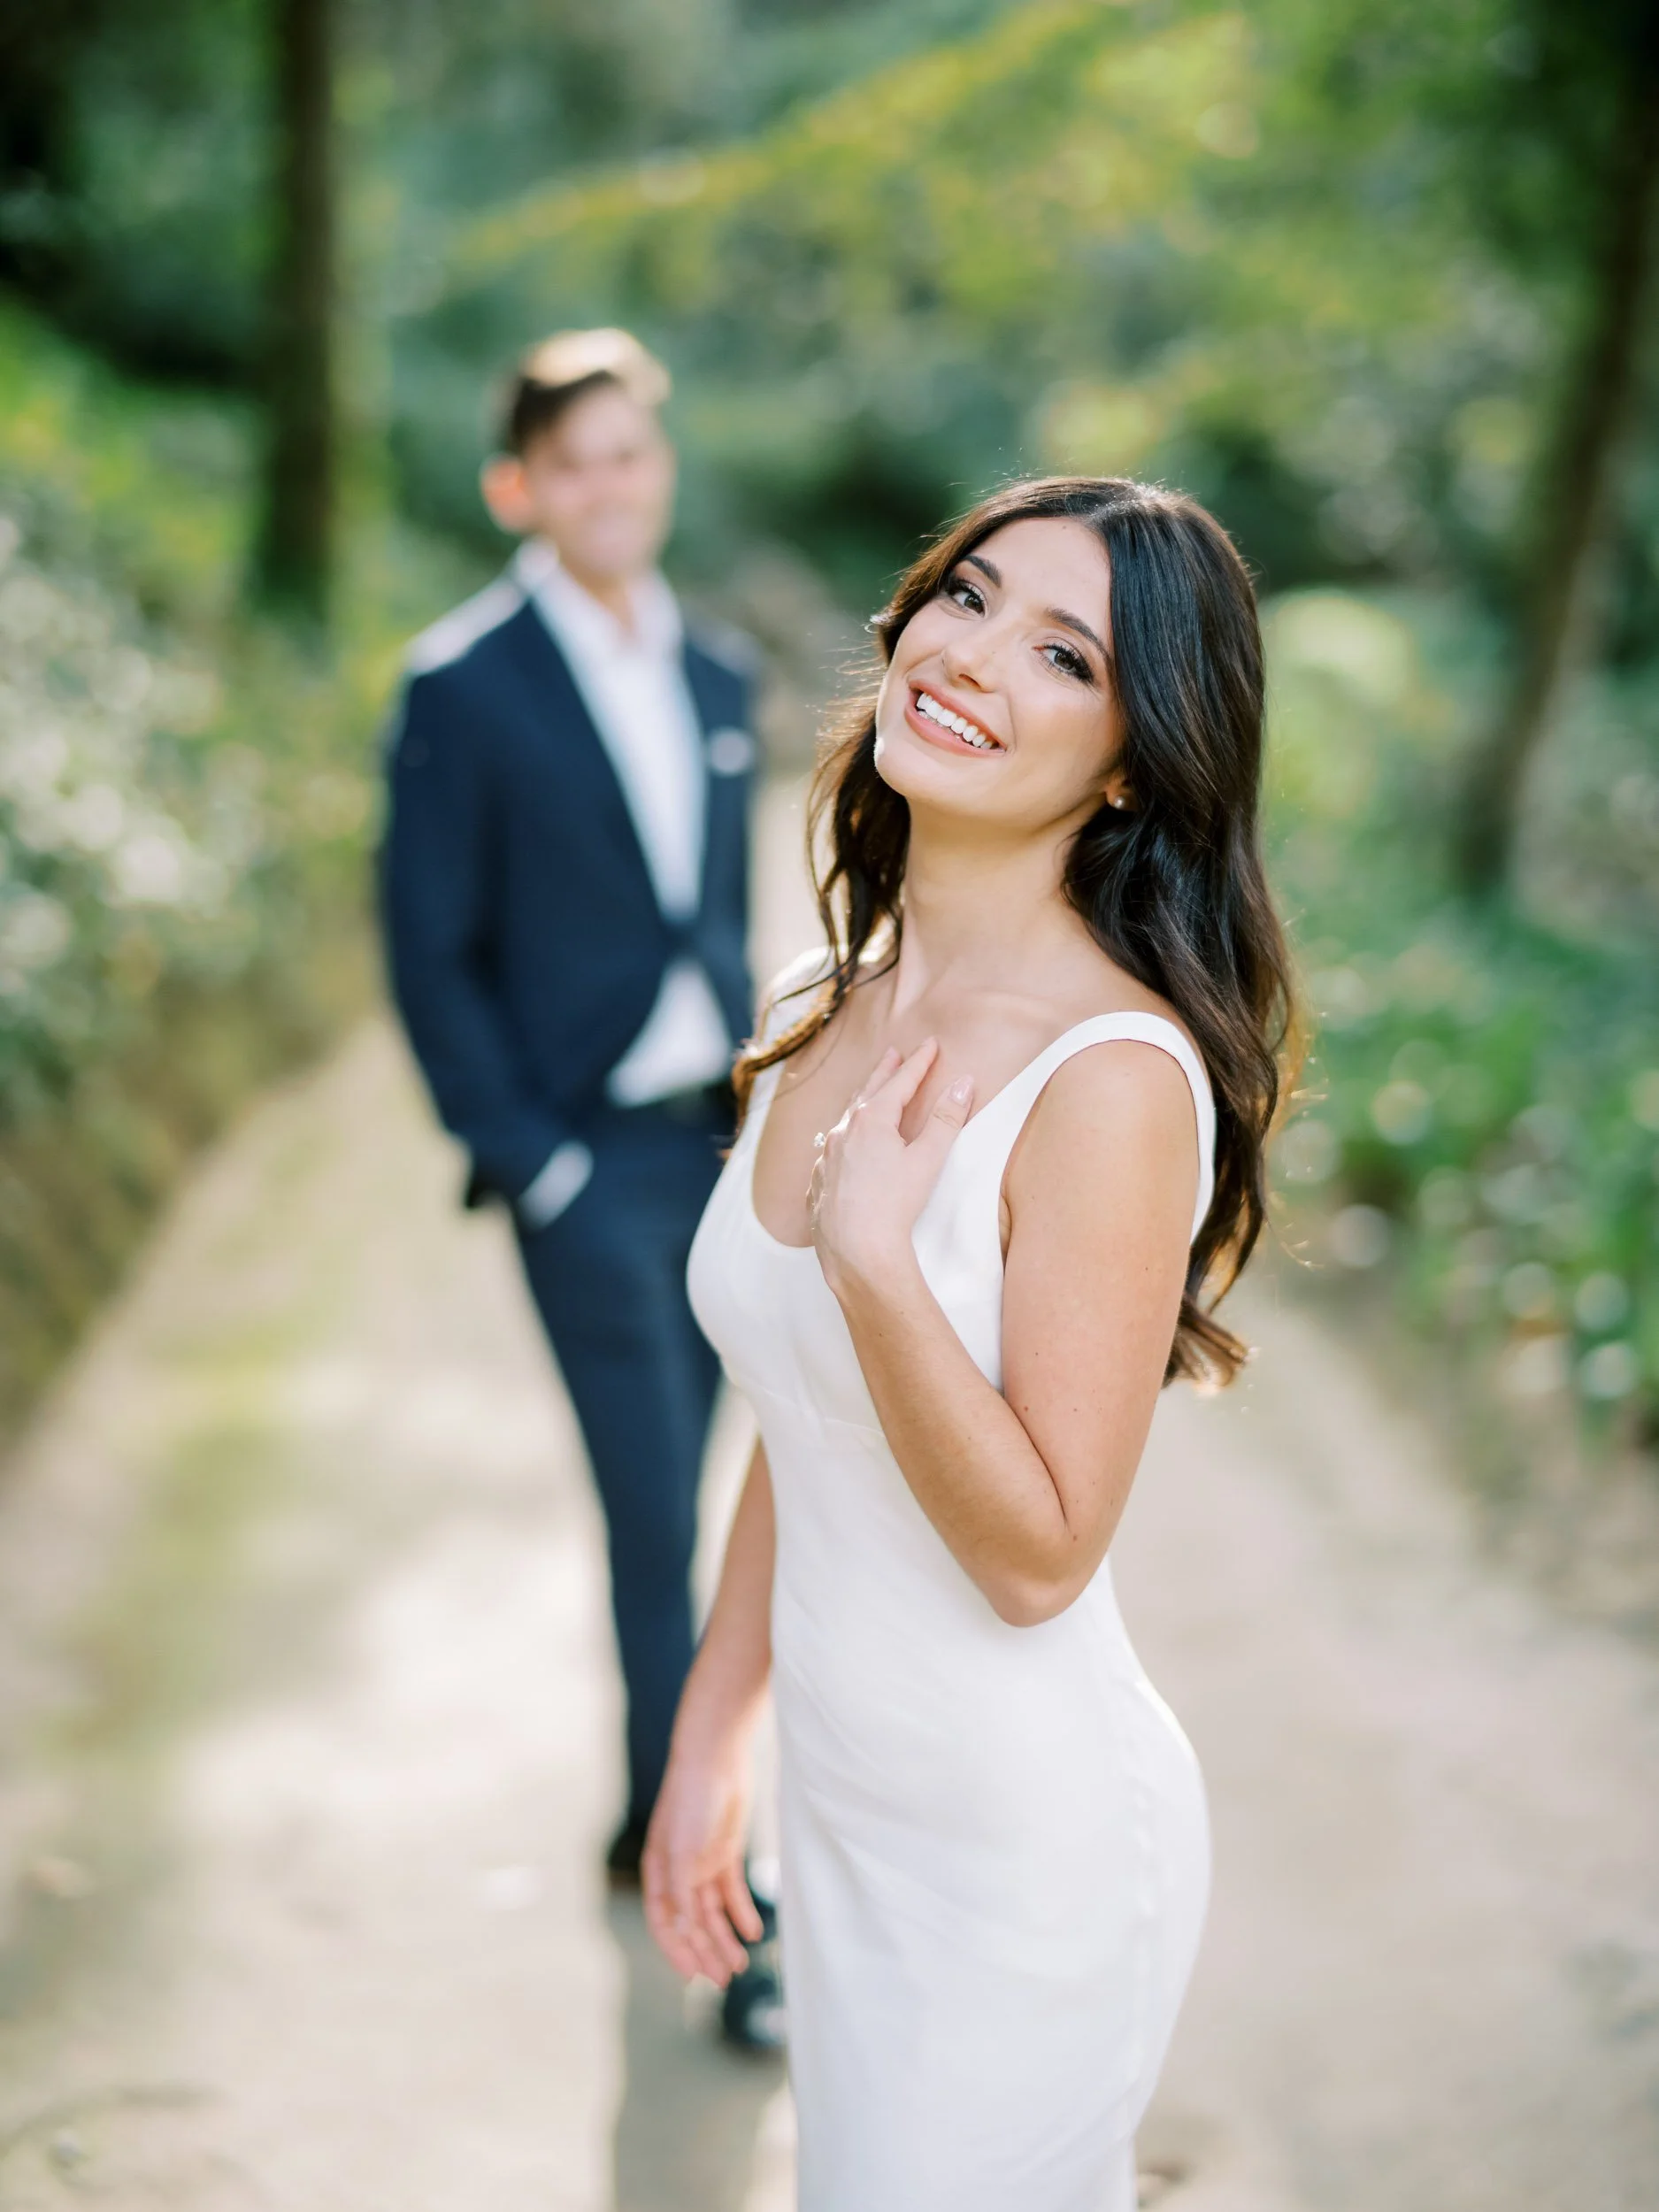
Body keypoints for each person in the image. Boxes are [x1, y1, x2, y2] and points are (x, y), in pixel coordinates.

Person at [642, 475, 1294, 2208]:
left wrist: (877, 1258)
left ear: (1135, 759)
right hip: (842, 1812)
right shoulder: (817, 1005)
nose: (974, 655)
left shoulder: (1110, 1079)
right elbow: (804, 1415)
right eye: (970, 595)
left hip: (1020, 1850)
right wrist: (715, 1726)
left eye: (1062, 651)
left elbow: (1036, 1553)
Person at [380, 329, 759, 1901]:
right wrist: (528, 1159)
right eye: (574, 462)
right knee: (653, 1507)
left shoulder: (716, 671)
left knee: (727, 1505)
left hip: (725, 1155)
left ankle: (647, 1822)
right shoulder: (464, 686)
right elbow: (426, 947)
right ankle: (712, 1877)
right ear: (516, 488)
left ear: (660, 470)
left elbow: (719, 916)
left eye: (631, 454)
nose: (609, 487)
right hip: (586, 1169)